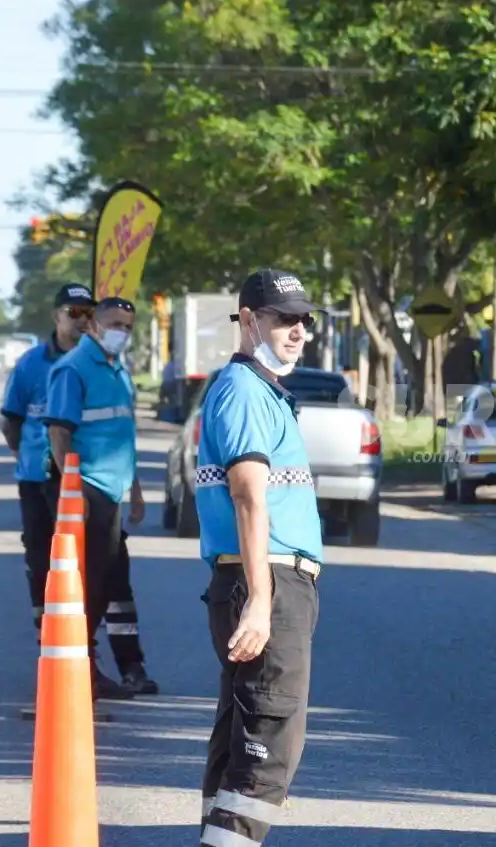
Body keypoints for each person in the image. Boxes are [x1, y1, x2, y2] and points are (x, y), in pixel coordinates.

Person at [195, 268, 323, 847]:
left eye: (304, 321)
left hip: (258, 577)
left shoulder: (261, 391)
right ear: (248, 320)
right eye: (284, 319)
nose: (298, 332)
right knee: (266, 749)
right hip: (266, 577)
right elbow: (248, 494)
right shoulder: (245, 390)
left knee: (239, 740)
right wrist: (262, 601)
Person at [43, 296, 158, 700]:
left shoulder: (118, 369)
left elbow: (123, 435)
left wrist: (135, 489)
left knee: (110, 580)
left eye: (127, 326)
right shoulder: (73, 369)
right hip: (88, 488)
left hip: (112, 489)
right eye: (113, 324)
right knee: (91, 583)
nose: (120, 332)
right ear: (93, 324)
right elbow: (58, 433)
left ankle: (105, 667)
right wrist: (73, 490)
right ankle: (81, 667)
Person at [0, 283, 94, 635]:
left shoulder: (98, 362)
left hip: (87, 476)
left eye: (89, 313)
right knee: (40, 551)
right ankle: (46, 622)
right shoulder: (30, 363)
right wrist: (23, 454)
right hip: (37, 477)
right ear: (57, 316)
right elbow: (11, 421)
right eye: (74, 312)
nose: (82, 320)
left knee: (85, 555)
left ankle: (84, 630)